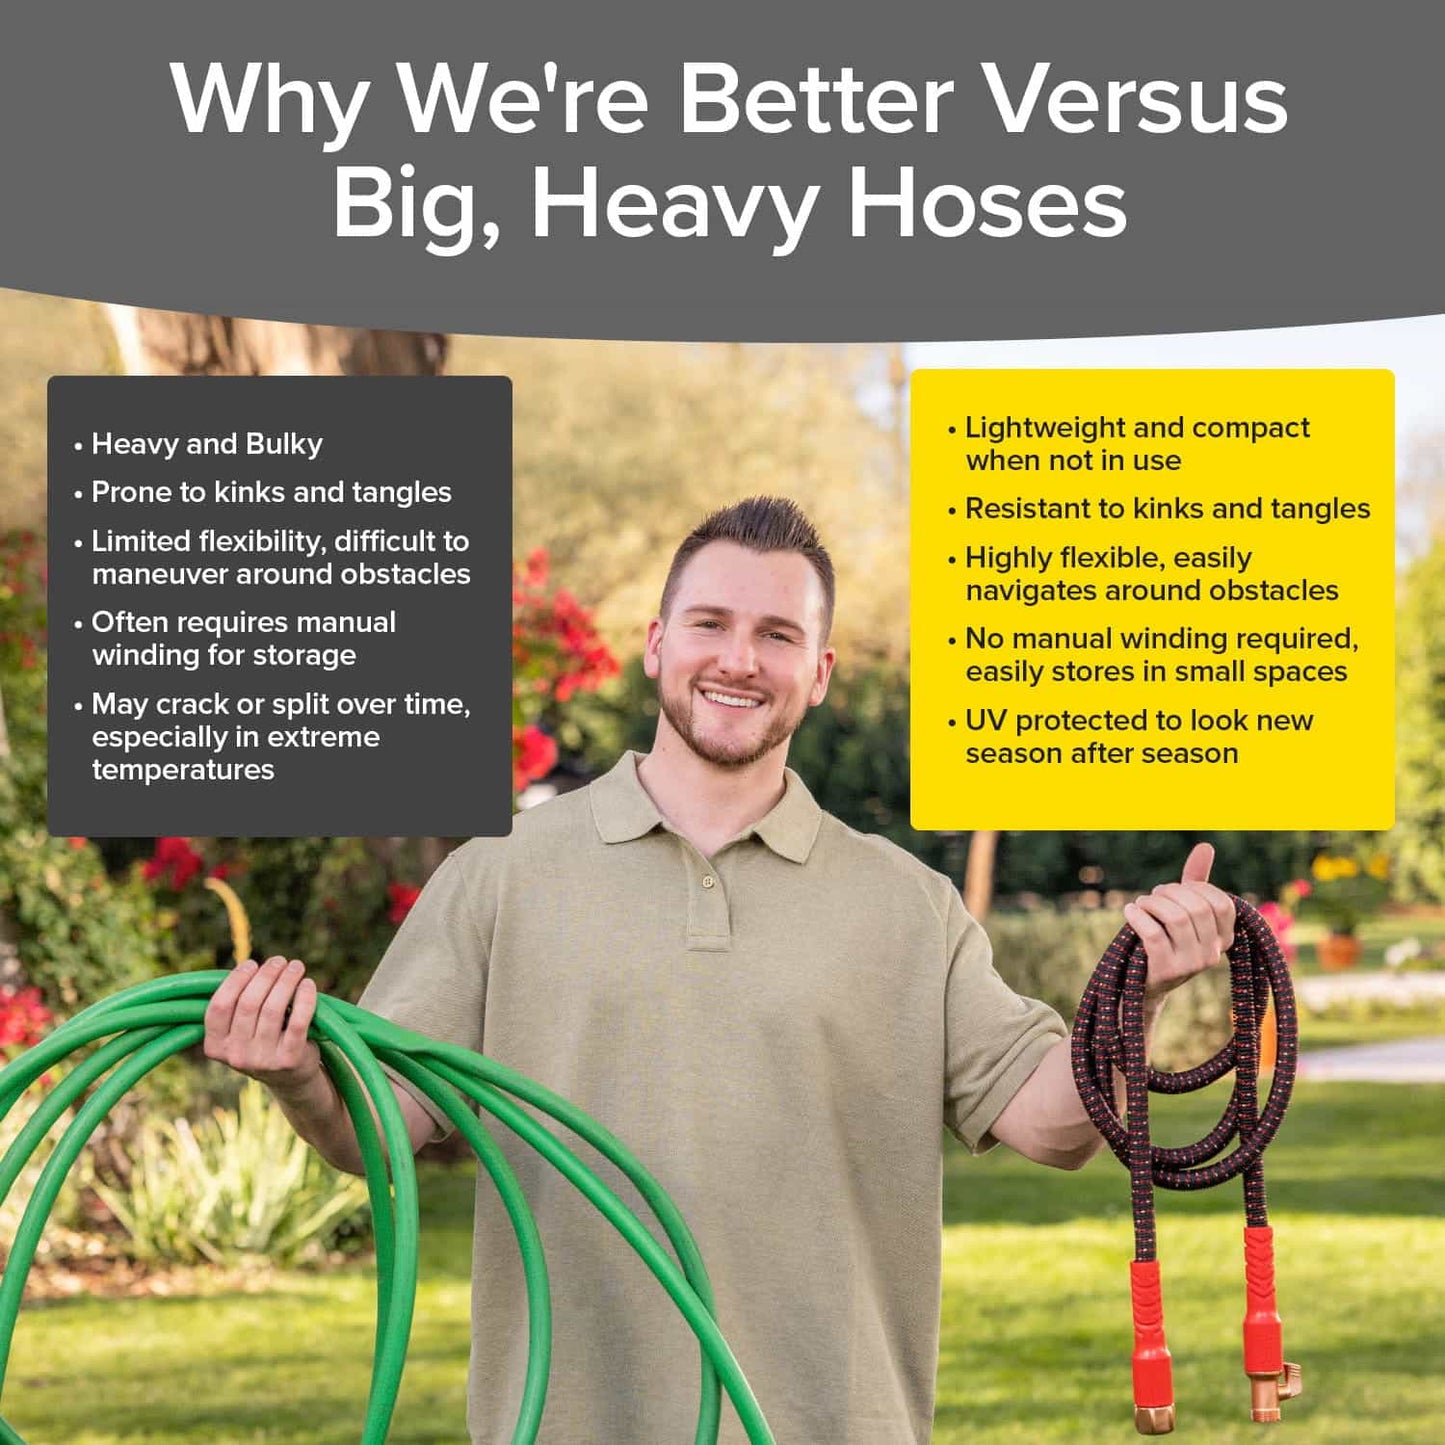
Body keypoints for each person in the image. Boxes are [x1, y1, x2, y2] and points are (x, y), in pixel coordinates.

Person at [203, 496, 1235, 1445]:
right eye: (709, 623)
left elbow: (1050, 1129)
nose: (738, 658)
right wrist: (298, 1075)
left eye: (778, 634)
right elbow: (379, 1128)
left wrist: (1129, 992)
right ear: (657, 645)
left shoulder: (904, 904)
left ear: (819, 671)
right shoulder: (499, 878)